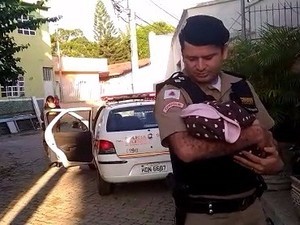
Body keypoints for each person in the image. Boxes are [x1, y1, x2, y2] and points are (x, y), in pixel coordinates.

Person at [154, 15, 284, 225]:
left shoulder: (241, 86)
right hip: (206, 215)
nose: (200, 66)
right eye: (191, 58)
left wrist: (275, 162)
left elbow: (269, 138)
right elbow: (187, 150)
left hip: (253, 208)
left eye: (208, 57)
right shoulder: (174, 93)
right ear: (182, 54)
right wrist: (249, 135)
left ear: (225, 51)